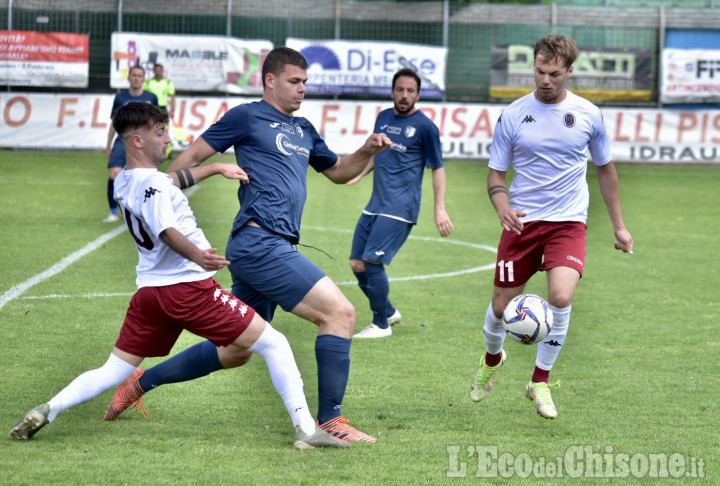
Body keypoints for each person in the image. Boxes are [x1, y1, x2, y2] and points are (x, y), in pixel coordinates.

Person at [10, 102, 349, 450]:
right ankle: (306, 431)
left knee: (113, 370)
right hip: (187, 289)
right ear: (138, 141)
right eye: (160, 134)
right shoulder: (154, 187)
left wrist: (216, 167)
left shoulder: (126, 180)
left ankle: (49, 408)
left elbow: (174, 179)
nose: (168, 141)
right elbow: (166, 230)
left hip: (149, 295)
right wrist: (198, 256)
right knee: (274, 344)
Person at [102, 47, 391, 443]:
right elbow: (186, 161)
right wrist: (158, 190)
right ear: (269, 80)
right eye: (294, 81)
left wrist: (366, 151)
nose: (302, 89)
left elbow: (340, 172)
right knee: (339, 314)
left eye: (305, 82)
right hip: (259, 243)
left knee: (235, 351)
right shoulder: (247, 116)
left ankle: (141, 382)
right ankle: (330, 422)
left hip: (268, 246)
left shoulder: (304, 128)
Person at [469, 34, 634, 419]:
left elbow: (606, 170)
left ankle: (539, 380)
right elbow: (496, 172)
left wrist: (620, 227)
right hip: (522, 223)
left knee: (561, 297)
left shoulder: (589, 114)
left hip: (568, 222)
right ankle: (492, 359)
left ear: (570, 71)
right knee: (500, 306)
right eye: (540, 71)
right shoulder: (512, 115)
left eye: (555, 73)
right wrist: (502, 206)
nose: (546, 80)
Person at [348, 68, 454, 339]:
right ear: (392, 91)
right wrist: (359, 174)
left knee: (372, 261)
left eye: (410, 91)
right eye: (400, 90)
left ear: (418, 94)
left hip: (400, 207)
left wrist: (439, 208)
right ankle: (389, 311)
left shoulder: (426, 128)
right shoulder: (383, 117)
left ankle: (380, 324)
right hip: (376, 203)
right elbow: (375, 153)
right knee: (357, 264)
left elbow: (438, 168)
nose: (404, 95)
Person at [104, 65, 158, 223]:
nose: (136, 78)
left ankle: (141, 211)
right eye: (133, 75)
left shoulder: (151, 97)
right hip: (123, 141)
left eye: (139, 76)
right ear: (129, 78)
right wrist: (109, 145)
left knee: (143, 178)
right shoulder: (120, 98)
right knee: (114, 173)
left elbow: (156, 124)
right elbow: (114, 122)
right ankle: (113, 212)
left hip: (144, 143)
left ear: (143, 79)